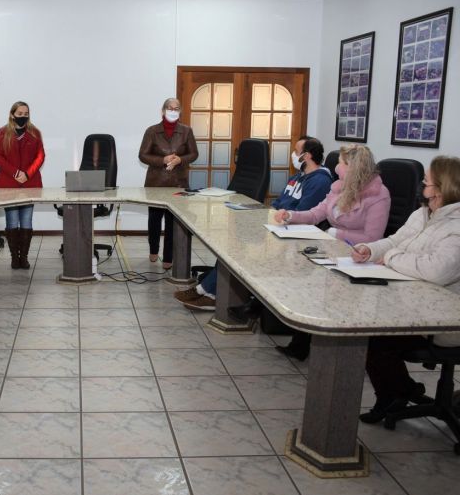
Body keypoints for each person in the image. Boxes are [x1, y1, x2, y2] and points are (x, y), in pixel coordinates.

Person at [353, 156, 460, 424]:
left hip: (445, 321)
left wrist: (391, 258)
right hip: (413, 304)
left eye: (428, 181)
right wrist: (370, 250)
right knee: (369, 333)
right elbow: (394, 241)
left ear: (442, 187)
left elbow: (437, 270)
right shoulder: (422, 214)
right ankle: (398, 392)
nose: (423, 184)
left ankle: (397, 393)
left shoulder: (456, 225)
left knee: (374, 339)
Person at [175, 137, 333, 311]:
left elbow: (304, 212)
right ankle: (208, 290)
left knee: (239, 253)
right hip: (276, 225)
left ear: (307, 156)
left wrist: (277, 216)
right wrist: (269, 214)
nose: (293, 155)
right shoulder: (298, 177)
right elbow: (279, 201)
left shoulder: (320, 181)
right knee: (233, 247)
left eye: (296, 152)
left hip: (291, 234)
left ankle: (208, 293)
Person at [272, 144, 391, 360]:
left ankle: (335, 355)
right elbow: (317, 213)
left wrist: (335, 232)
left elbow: (373, 238)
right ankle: (302, 344)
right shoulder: (339, 187)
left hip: (358, 259)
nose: (336, 167)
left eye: (342, 163)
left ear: (354, 168)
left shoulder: (378, 195)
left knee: (320, 289)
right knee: (305, 283)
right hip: (333, 251)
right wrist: (290, 215)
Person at [139, 98, 198, 269]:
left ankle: (168, 257)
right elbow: (143, 155)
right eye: (169, 108)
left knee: (173, 221)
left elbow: (194, 153)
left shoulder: (187, 131)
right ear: (163, 110)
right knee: (154, 219)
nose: (173, 110)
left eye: (176, 108)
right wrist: (162, 159)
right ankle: (153, 249)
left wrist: (180, 159)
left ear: (180, 111)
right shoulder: (152, 131)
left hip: (178, 183)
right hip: (156, 182)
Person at [0, 101, 45, 269]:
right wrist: (15, 173)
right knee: (12, 220)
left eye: (26, 113)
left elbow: (40, 155)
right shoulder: (2, 133)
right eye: (20, 113)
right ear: (12, 114)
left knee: (27, 220)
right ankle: (15, 257)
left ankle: (25, 257)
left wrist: (27, 174)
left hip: (30, 183)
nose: (23, 116)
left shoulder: (35, 133)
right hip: (9, 184)